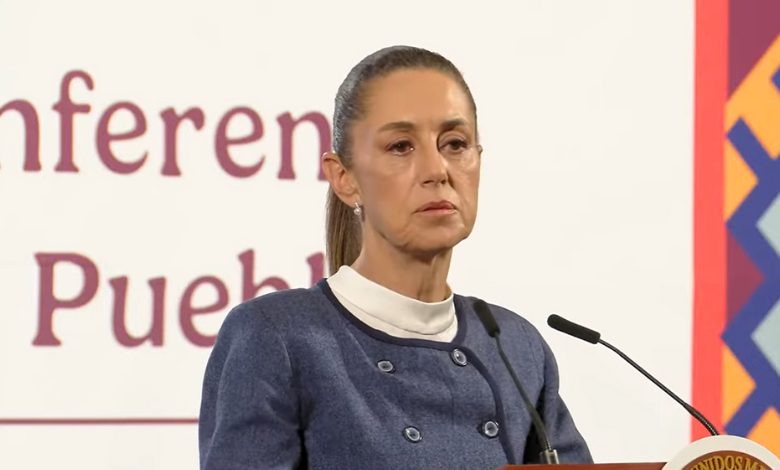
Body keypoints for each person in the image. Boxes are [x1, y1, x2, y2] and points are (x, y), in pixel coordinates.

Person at [198, 45, 592, 470]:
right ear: (344, 178)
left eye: (455, 143)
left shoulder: (515, 346)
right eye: (401, 146)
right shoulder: (276, 336)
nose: (437, 170)